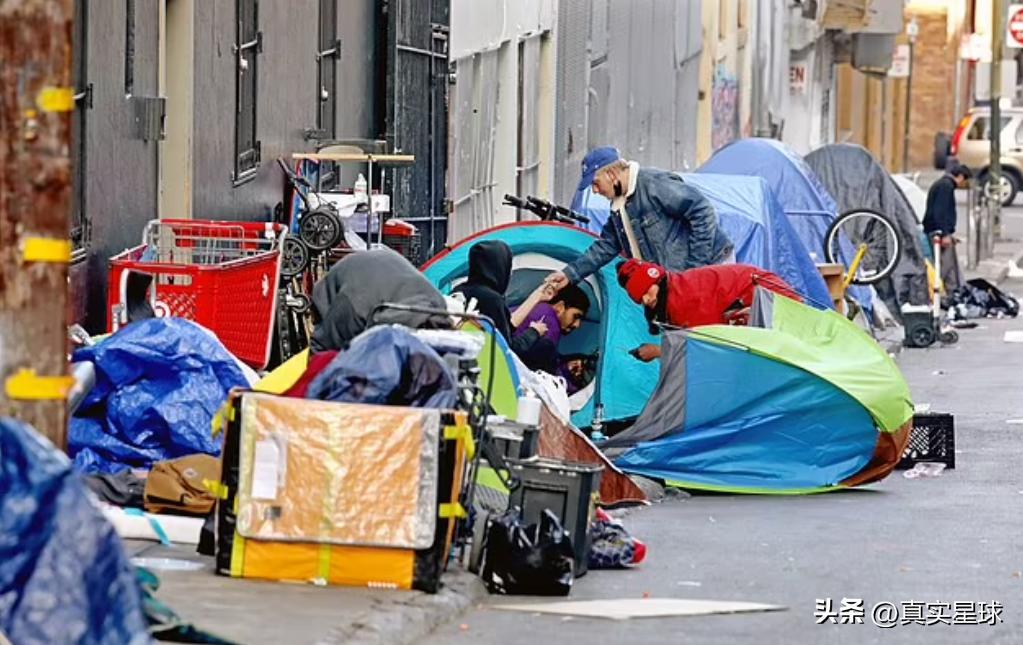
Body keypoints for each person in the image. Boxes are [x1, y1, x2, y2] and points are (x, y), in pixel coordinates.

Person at [547, 147, 733, 291]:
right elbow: (606, 246)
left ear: (611, 175)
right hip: (678, 281)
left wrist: (693, 272)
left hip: (711, 266)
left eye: (596, 183)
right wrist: (569, 275)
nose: (595, 191)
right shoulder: (619, 206)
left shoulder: (654, 185)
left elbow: (702, 211)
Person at [617, 258, 802, 362]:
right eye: (639, 299)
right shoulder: (673, 290)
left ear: (655, 280)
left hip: (769, 301)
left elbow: (708, 345)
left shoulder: (685, 300)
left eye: (646, 292)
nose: (645, 300)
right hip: (756, 300)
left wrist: (657, 351)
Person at [310, 248, 450, 352]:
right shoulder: (352, 309)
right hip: (364, 278)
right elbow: (321, 351)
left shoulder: (435, 306)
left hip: (377, 273)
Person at [451, 240, 554, 361]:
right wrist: (534, 332)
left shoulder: (460, 290)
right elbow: (507, 350)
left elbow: (506, 327)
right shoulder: (492, 299)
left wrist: (537, 296)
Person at [512, 284, 591, 375]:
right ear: (559, 307)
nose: (577, 325)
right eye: (576, 316)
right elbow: (547, 370)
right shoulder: (549, 320)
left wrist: (567, 366)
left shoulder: (538, 308)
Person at [922, 164, 971, 292]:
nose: (964, 185)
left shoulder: (943, 184)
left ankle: (952, 294)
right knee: (944, 266)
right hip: (938, 232)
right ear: (960, 177)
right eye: (965, 181)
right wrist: (944, 234)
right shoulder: (946, 186)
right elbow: (940, 212)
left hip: (937, 231)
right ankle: (934, 291)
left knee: (949, 268)